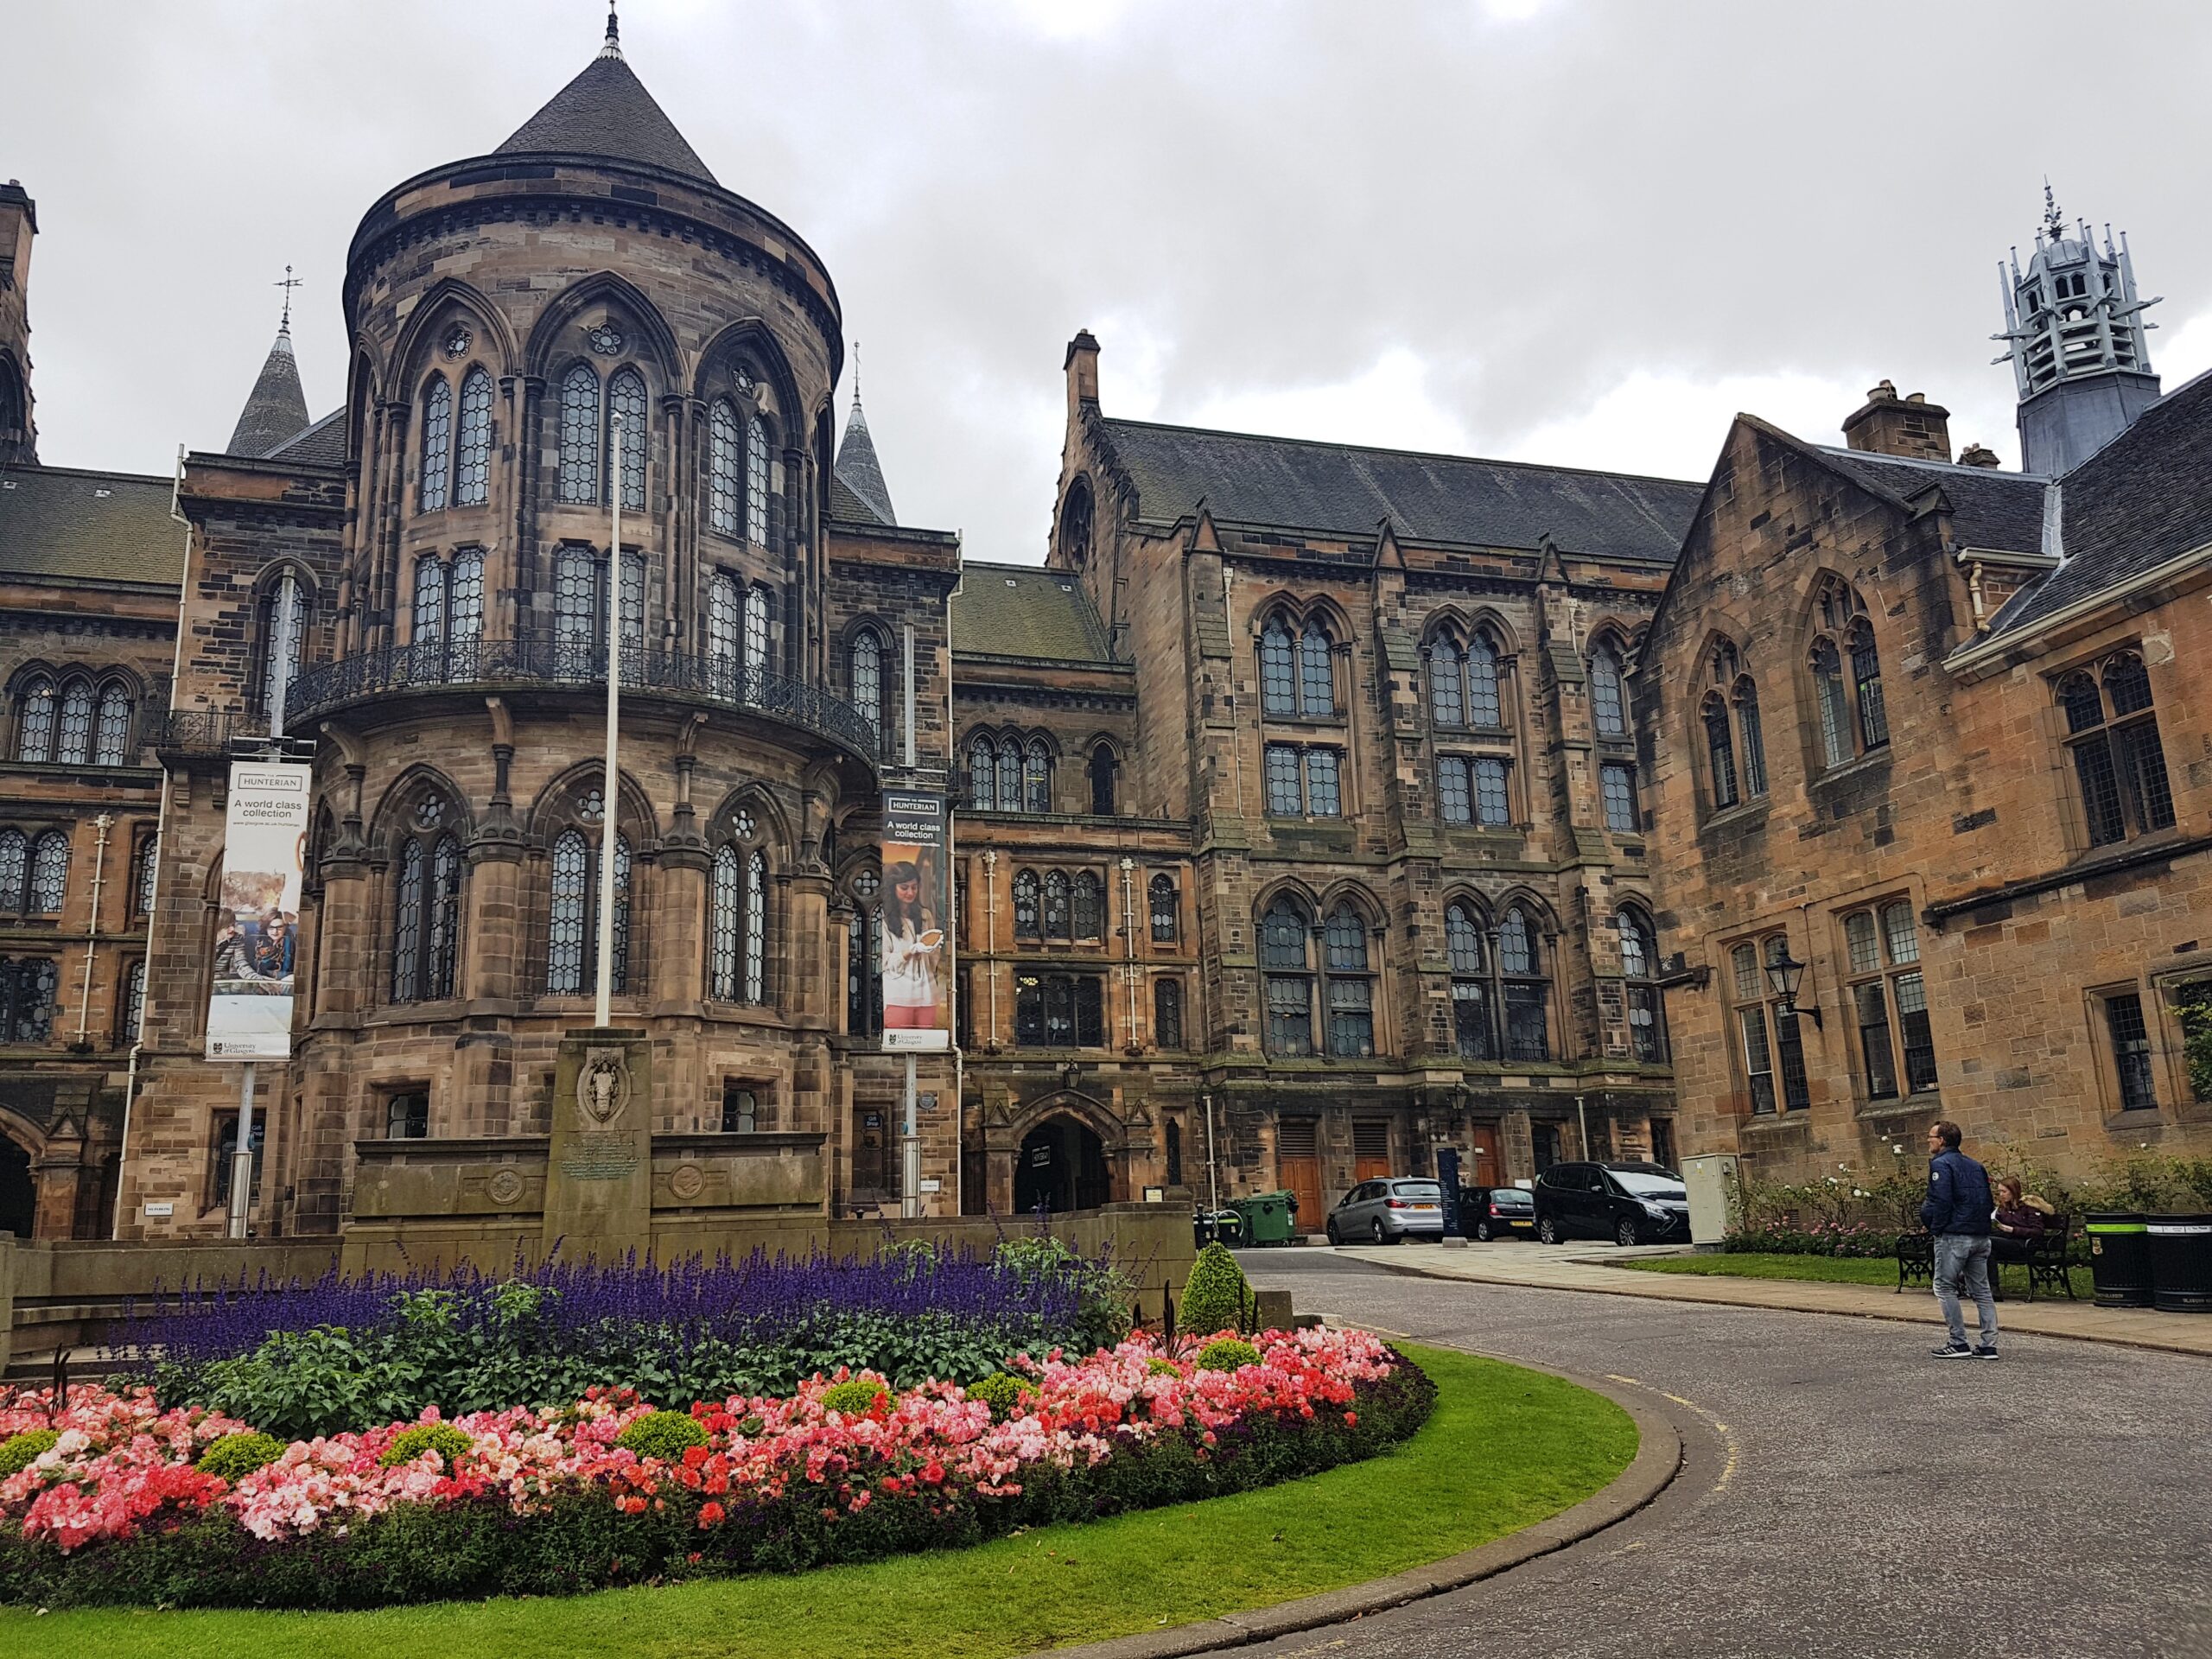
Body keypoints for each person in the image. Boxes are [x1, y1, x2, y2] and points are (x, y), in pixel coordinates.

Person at [1922, 1120, 1998, 1360]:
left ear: (1942, 1140)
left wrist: (1936, 1228)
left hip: (1954, 1235)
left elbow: (1941, 1201)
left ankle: (1958, 1342)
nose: (1928, 1140)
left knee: (1944, 1287)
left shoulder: (1940, 1164)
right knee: (1982, 1291)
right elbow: (1987, 1201)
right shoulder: (1975, 1166)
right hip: (1980, 1235)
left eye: (1931, 1137)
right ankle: (1988, 1345)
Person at [879, 861, 944, 1031]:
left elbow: (934, 956)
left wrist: (931, 950)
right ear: (893, 888)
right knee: (900, 1040)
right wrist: (911, 951)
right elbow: (885, 962)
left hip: (926, 994)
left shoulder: (925, 915)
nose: (910, 893)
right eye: (904, 887)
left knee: (927, 1041)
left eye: (914, 887)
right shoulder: (884, 919)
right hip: (898, 996)